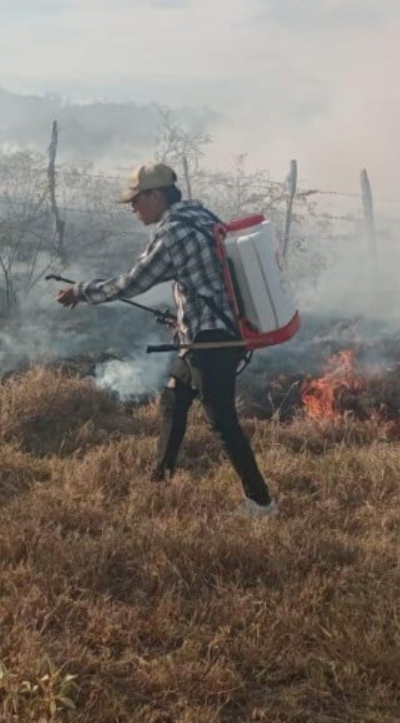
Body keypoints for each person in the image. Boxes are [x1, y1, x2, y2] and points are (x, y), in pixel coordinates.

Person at [56, 162, 278, 516]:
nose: (133, 208)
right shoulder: (201, 216)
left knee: (221, 421)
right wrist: (181, 318)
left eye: (136, 200)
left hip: (212, 339)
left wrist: (82, 291)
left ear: (156, 195)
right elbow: (208, 280)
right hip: (208, 333)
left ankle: (261, 502)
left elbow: (132, 283)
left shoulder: (173, 233)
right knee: (174, 399)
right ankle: (160, 479)